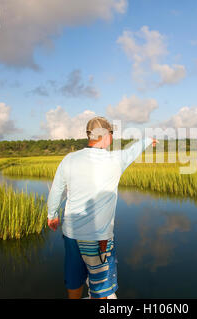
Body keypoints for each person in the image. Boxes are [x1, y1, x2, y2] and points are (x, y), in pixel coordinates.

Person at [47, 116, 157, 299]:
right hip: (99, 240)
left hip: (71, 235)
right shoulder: (115, 159)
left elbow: (57, 189)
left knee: (74, 281)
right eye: (112, 133)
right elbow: (133, 150)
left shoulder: (69, 159)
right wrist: (148, 140)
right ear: (106, 136)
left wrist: (52, 215)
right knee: (101, 289)